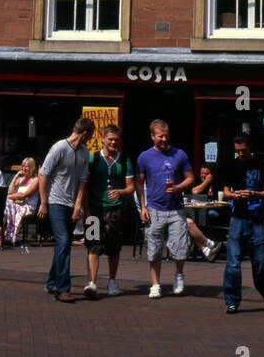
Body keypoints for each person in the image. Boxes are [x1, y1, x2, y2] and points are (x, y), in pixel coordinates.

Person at [39, 117, 95, 303]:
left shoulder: (84, 152)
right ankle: (63, 288)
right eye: (91, 136)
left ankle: (51, 283)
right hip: (55, 202)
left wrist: (78, 205)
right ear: (85, 134)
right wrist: (44, 203)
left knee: (62, 246)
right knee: (63, 242)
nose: (90, 139)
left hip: (71, 205)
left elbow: (82, 180)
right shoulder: (59, 148)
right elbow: (43, 175)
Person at [136, 120, 194, 298]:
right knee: (154, 248)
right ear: (152, 136)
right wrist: (143, 207)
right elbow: (139, 183)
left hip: (176, 208)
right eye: (160, 136)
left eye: (166, 135)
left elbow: (190, 178)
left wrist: (178, 188)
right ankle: (155, 284)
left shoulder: (179, 154)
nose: (164, 139)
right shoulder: (144, 157)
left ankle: (178, 276)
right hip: (154, 208)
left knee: (179, 246)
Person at [222, 133, 264, 313]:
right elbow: (226, 192)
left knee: (260, 263)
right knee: (233, 263)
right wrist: (235, 195)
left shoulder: (260, 166)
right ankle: (231, 300)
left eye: (244, 150)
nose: (241, 154)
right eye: (238, 151)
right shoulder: (231, 165)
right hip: (237, 218)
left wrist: (254, 194)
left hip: (257, 219)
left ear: (250, 148)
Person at [82, 126, 134, 297]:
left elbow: (131, 187)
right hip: (94, 209)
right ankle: (92, 282)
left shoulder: (125, 160)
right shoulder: (93, 159)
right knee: (92, 245)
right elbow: (84, 186)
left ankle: (112, 281)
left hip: (115, 210)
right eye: (110, 139)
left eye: (116, 140)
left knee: (114, 247)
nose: (113, 142)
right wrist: (86, 210)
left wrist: (121, 192)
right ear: (103, 139)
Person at [0, 157, 41, 248]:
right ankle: (1, 232)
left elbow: (24, 195)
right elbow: (10, 192)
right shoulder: (20, 179)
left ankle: (0, 234)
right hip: (16, 205)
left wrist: (9, 197)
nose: (24, 168)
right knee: (6, 204)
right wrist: (15, 177)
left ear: (32, 167)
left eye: (27, 166)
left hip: (28, 207)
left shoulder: (36, 180)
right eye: (23, 166)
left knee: (6, 202)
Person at [184, 164, 222, 261]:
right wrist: (205, 182)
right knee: (191, 222)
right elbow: (195, 192)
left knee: (196, 221)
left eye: (206, 174)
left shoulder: (216, 182)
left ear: (211, 174)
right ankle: (209, 246)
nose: (203, 176)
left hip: (213, 210)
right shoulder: (197, 181)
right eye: (202, 173)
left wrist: (209, 181)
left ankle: (206, 248)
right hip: (196, 211)